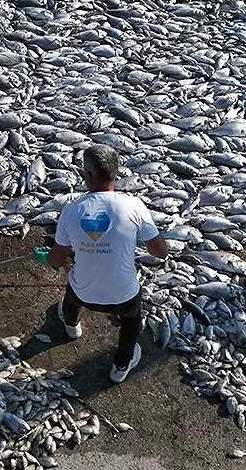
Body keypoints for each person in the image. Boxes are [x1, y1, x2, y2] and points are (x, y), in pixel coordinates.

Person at [43, 144, 169, 383]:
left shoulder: (71, 210)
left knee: (71, 295)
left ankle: (71, 327)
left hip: (83, 293)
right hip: (123, 297)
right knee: (132, 321)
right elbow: (161, 252)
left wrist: (48, 256)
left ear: (89, 175)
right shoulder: (134, 206)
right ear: (115, 173)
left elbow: (57, 261)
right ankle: (121, 366)